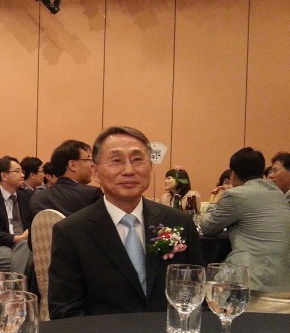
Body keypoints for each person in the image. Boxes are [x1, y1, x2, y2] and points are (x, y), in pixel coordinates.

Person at [49, 126, 203, 318]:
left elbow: (198, 293)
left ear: (151, 167)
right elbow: (65, 311)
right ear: (95, 172)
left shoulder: (179, 222)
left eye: (137, 160)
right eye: (116, 161)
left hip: (169, 332)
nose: (129, 170)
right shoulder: (71, 231)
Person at [201, 147, 290, 310]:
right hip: (284, 279)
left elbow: (207, 227)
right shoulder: (278, 194)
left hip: (255, 281)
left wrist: (214, 201)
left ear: (233, 174)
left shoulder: (235, 195)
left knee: (205, 281)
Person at [30, 139, 102, 218]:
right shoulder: (91, 195)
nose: (92, 165)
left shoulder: (38, 198)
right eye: (88, 160)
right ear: (72, 165)